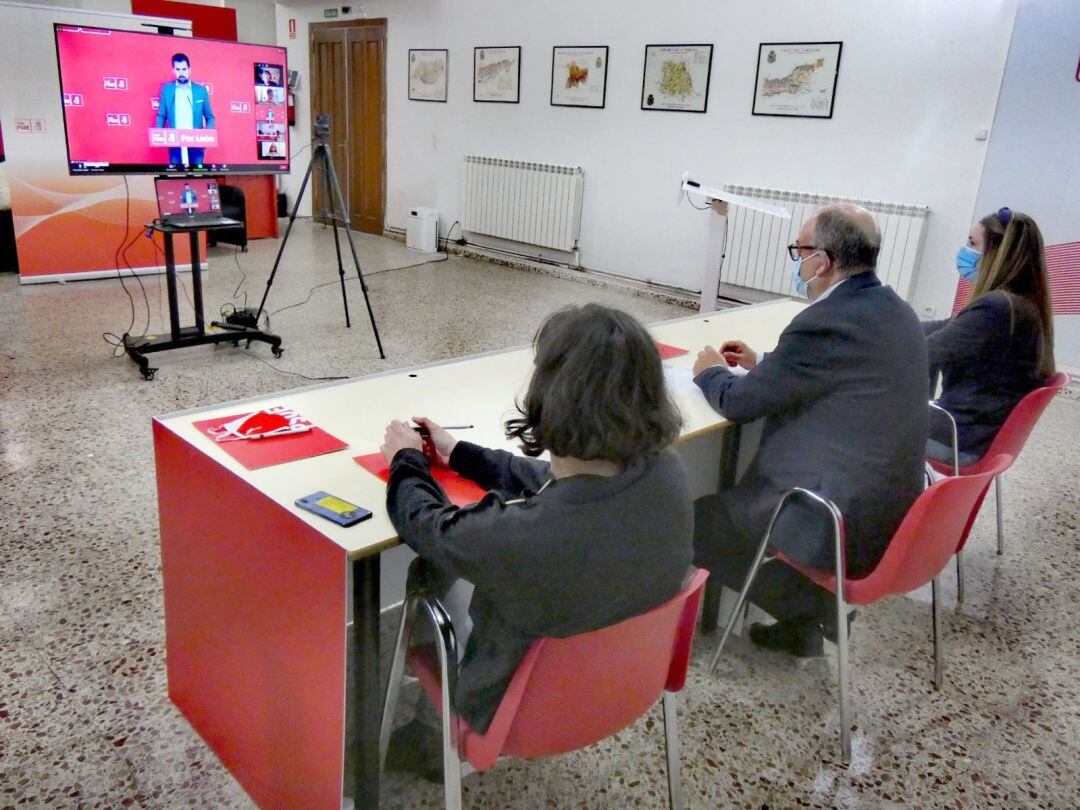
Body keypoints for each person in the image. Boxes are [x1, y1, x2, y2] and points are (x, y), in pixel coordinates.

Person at [379, 303, 695, 773]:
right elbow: (552, 477)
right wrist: (459, 452)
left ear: (550, 394)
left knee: (430, 568)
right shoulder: (668, 473)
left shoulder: (521, 536)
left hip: (517, 715)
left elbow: (425, 525)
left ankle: (430, 740)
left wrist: (407, 459)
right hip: (624, 685)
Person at [691, 204, 928, 657]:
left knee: (699, 524)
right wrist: (765, 365)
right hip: (889, 505)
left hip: (836, 513)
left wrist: (709, 372)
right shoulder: (895, 310)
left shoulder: (824, 322)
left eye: (800, 250)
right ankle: (801, 623)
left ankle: (813, 609)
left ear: (823, 260)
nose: (797, 261)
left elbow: (738, 403)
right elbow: (842, 376)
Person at [924, 208, 1055, 465]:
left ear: (996, 255)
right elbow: (945, 328)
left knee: (852, 416)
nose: (965, 251)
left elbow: (923, 351)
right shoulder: (1020, 306)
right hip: (980, 434)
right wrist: (899, 324)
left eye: (972, 243)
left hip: (959, 437)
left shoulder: (995, 309)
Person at [155, 53, 216, 166]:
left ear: (189, 70)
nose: (181, 73)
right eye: (178, 69)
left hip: (196, 143)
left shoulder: (200, 91)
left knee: (197, 177)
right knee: (176, 176)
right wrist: (158, 134)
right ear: (173, 70)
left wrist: (207, 135)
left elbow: (210, 117)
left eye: (184, 69)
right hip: (175, 142)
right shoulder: (167, 89)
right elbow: (161, 115)